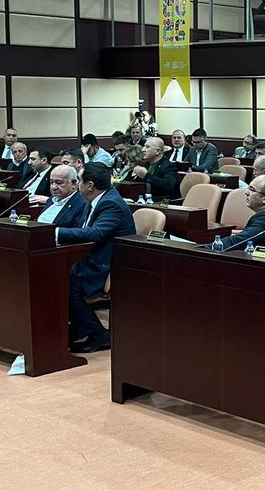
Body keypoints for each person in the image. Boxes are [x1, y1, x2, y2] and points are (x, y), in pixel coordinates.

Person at [58, 163, 136, 353]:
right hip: (91, 258)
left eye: (79, 180)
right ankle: (79, 329)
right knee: (56, 276)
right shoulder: (95, 199)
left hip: (107, 265)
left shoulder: (111, 204)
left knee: (66, 286)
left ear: (90, 185)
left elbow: (95, 233)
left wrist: (57, 232)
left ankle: (99, 334)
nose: (77, 184)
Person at [134, 136, 181, 201]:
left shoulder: (168, 166)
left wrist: (147, 176)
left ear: (157, 151)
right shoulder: (146, 164)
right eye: (144, 146)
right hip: (145, 200)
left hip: (164, 202)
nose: (143, 150)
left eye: (147, 147)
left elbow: (168, 186)